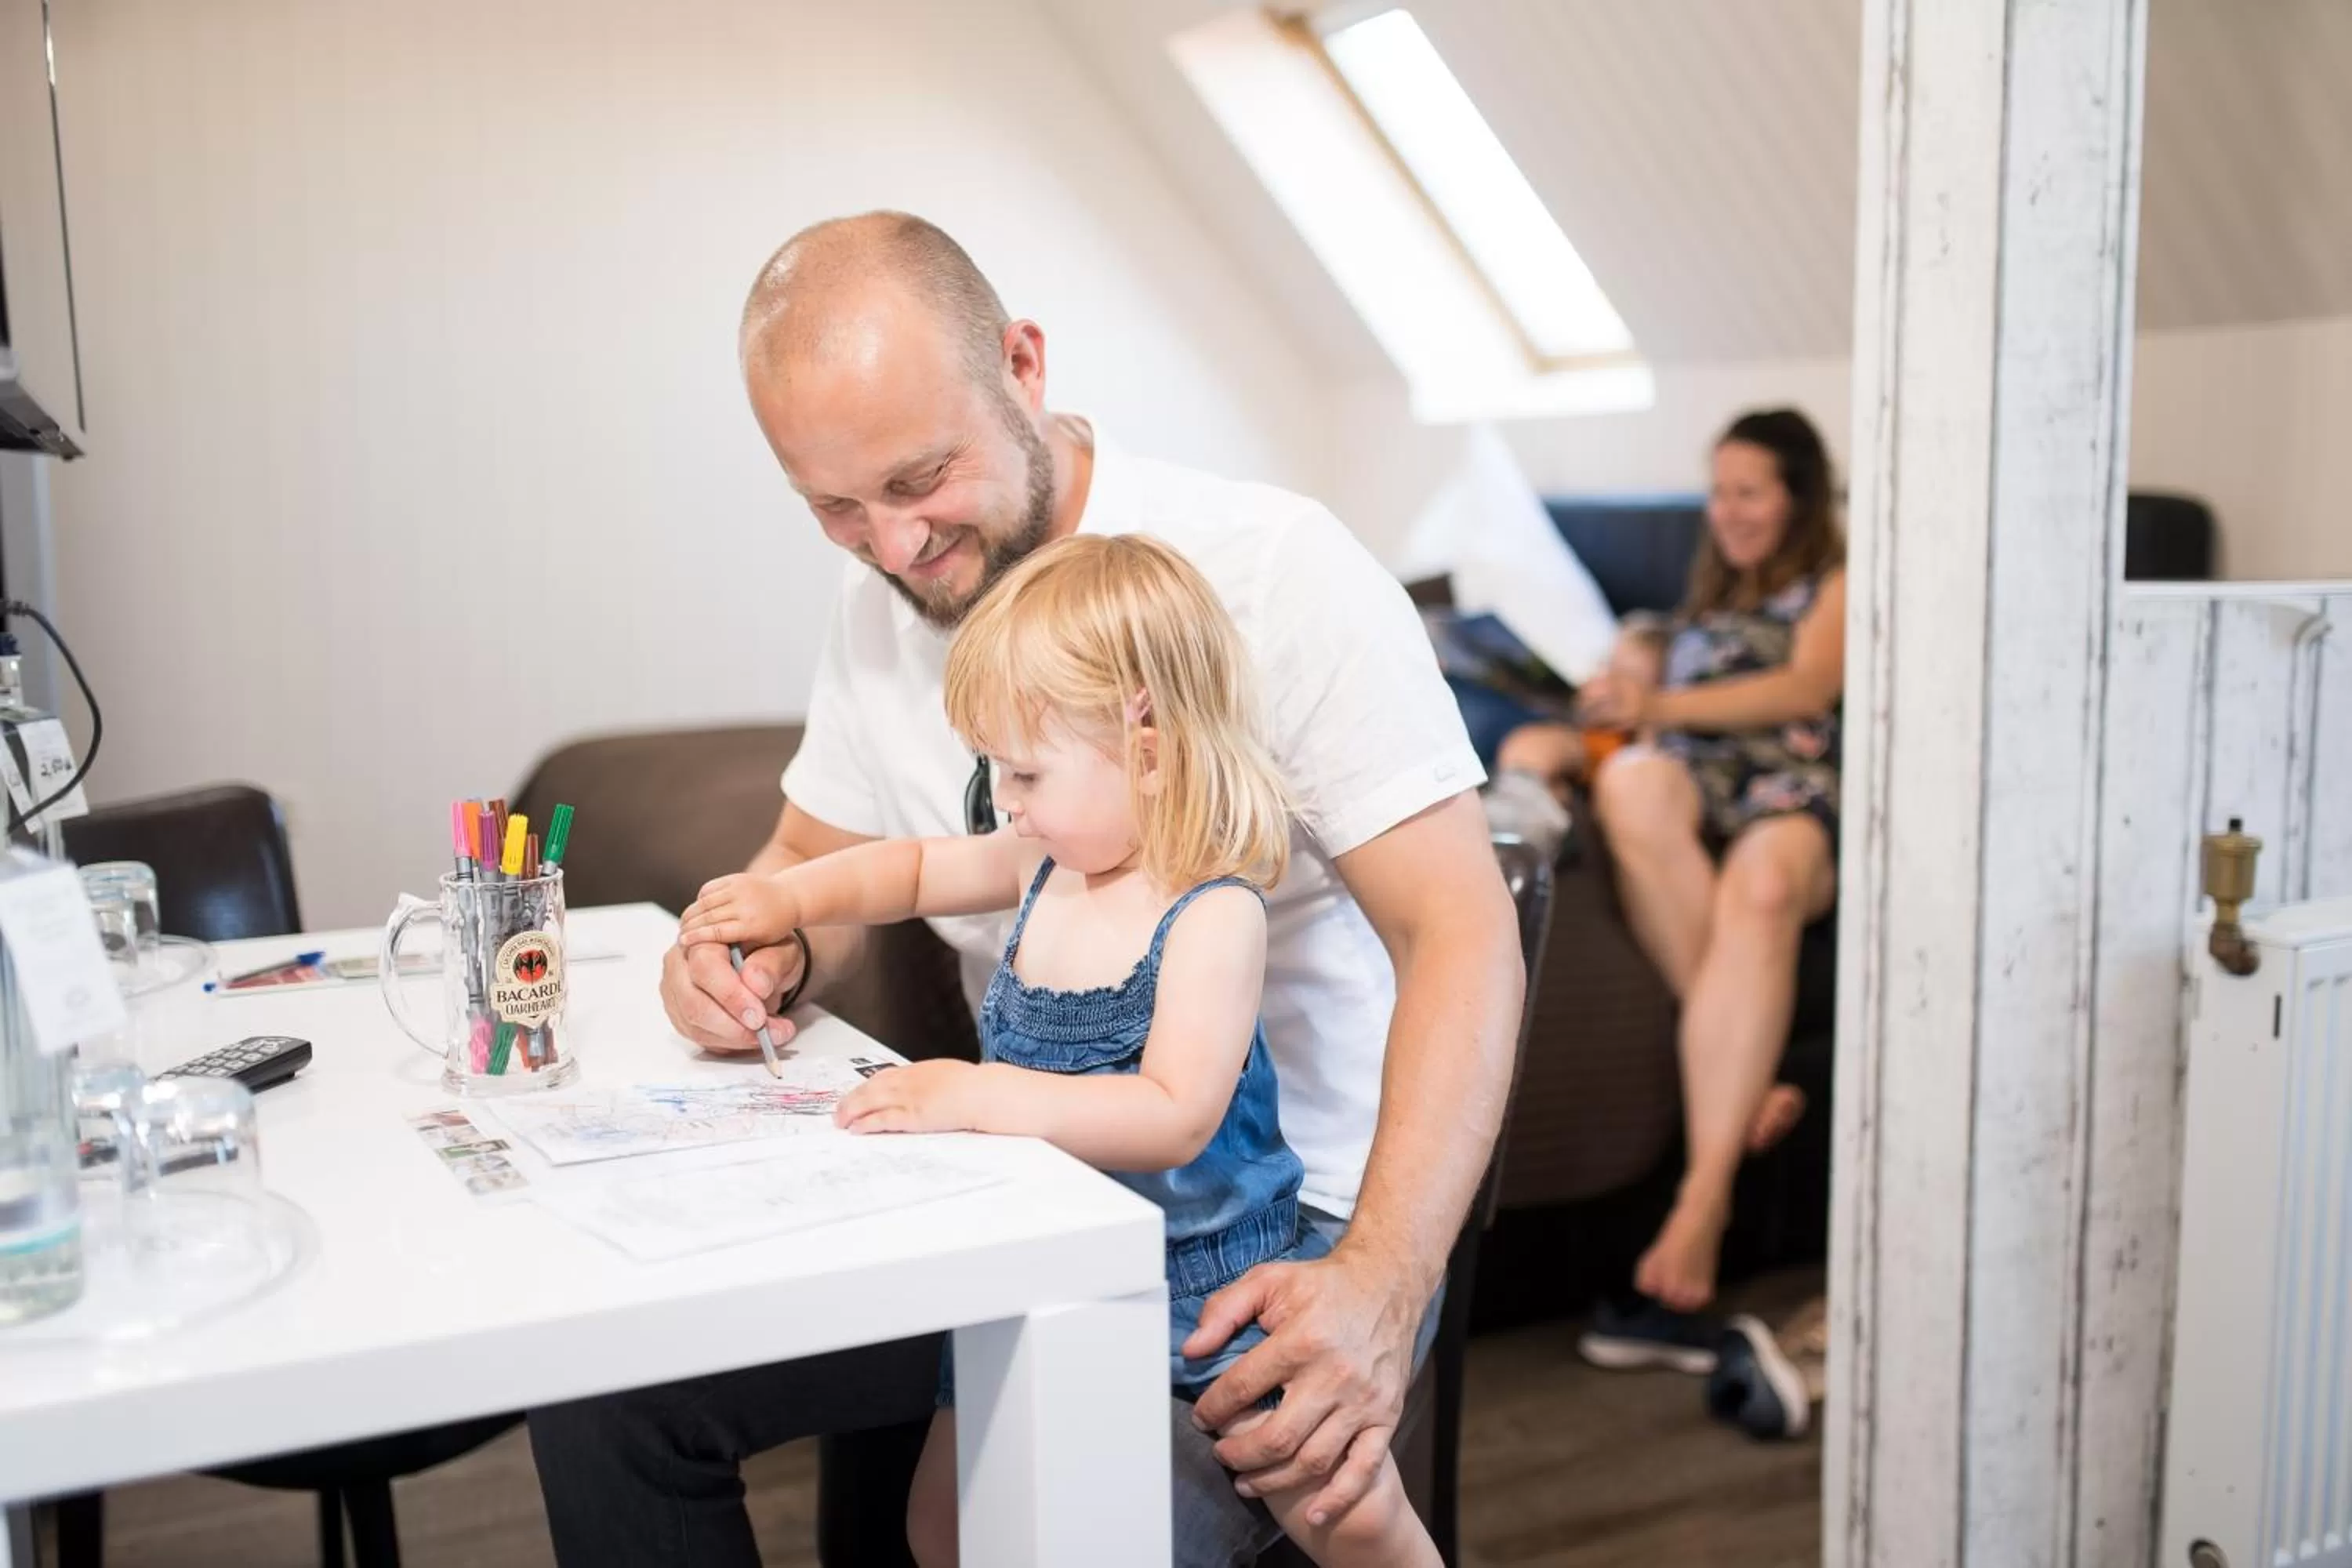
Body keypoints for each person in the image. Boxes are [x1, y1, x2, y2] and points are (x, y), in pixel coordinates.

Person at [526, 211, 1524, 1566]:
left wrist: (1385, 1278)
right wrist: (755, 949)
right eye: (835, 509)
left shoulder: (1272, 573)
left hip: (1272, 1233)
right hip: (1017, 1180)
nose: (893, 546)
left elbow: (1462, 932)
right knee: (613, 1389)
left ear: (1024, 366)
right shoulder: (881, 604)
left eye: (919, 477)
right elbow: (815, 861)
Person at [677, 533, 1442, 1567]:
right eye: (995, 767)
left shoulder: (1211, 913)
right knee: (942, 1525)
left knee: (1338, 1504)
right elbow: (909, 870)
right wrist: (788, 896)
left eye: (1026, 769)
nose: (1007, 798)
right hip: (1042, 1250)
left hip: (1205, 1281)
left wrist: (979, 1094)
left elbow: (1174, 1113)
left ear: (1149, 745)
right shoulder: (1044, 860)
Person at [1495, 408, 1845, 1316]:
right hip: (1693, 775)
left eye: (1749, 492)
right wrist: (1619, 701)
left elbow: (1806, 687)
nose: (1727, 511)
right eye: (1718, 491)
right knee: (1632, 784)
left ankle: (1704, 1197)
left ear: (1798, 497)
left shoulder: (1837, 582)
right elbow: (1634, 713)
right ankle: (1741, 1064)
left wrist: (1659, 707)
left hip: (1788, 781)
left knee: (1763, 885)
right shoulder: (1697, 605)